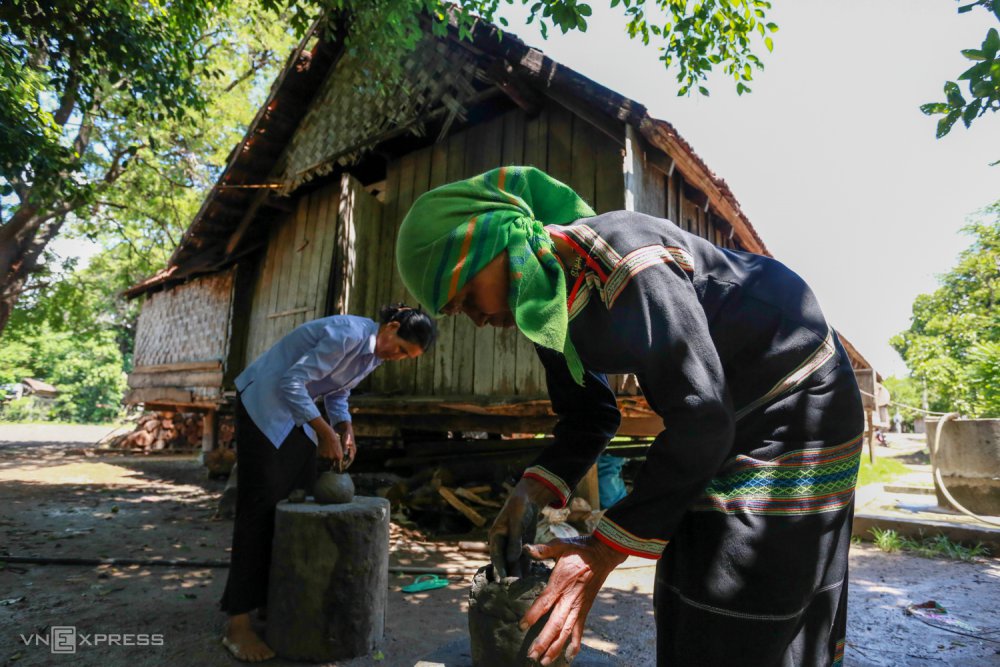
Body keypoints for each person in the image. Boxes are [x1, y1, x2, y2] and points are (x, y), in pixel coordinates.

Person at [396, 166, 864, 666]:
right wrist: (528, 492)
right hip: (722, 412)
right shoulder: (546, 306)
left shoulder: (624, 254)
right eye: (456, 312)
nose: (478, 319)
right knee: (688, 583)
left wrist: (599, 551)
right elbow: (589, 415)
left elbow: (701, 416)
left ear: (499, 241)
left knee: (738, 586)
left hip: (796, 400)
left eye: (467, 296)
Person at [219, 305, 436, 662]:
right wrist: (323, 431)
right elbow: (292, 381)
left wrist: (344, 426)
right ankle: (237, 624)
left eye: (405, 357)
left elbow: (337, 392)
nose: (396, 357)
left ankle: (270, 602)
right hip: (263, 404)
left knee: (296, 501)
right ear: (391, 326)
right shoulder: (347, 335)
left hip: (294, 412)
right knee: (259, 508)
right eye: (399, 348)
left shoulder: (376, 354)